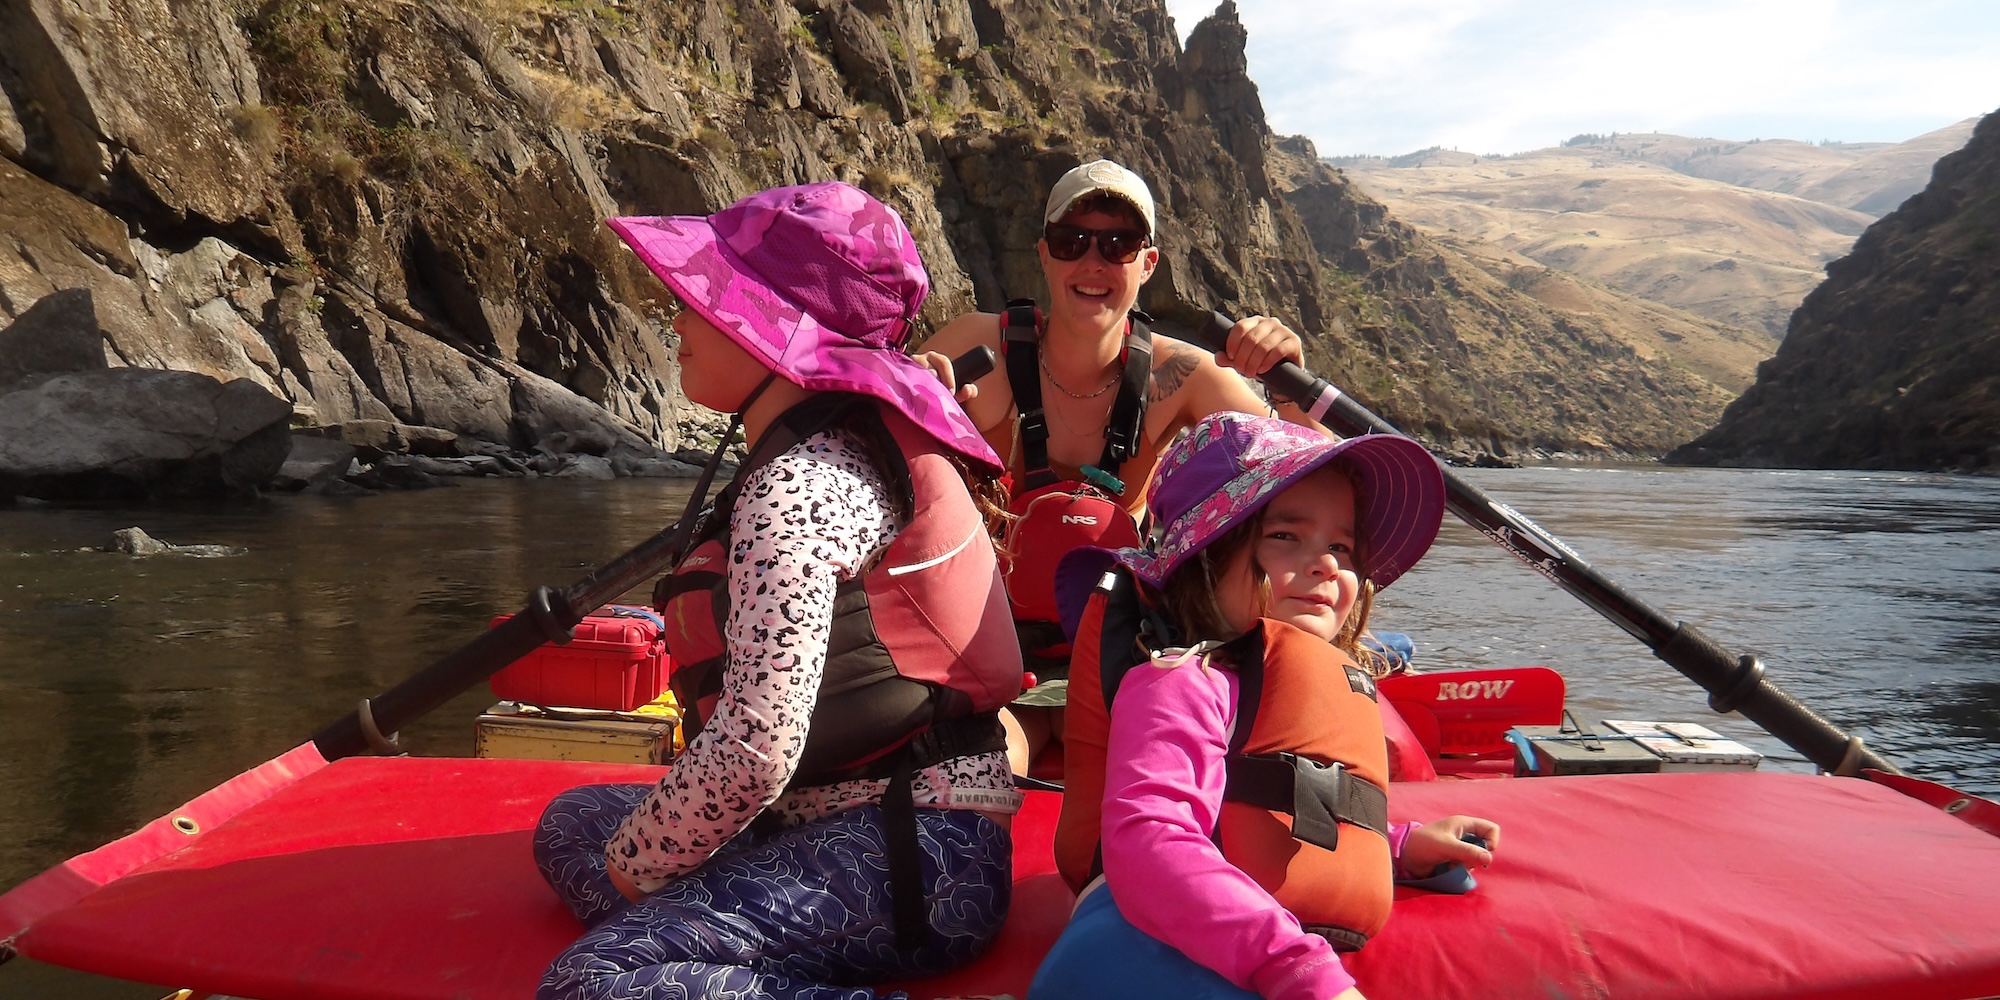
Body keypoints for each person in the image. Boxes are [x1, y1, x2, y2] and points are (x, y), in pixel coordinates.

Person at [530, 182, 1026, 1000]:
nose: (678, 318)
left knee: (594, 981)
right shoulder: (829, 446)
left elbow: (757, 749)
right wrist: (643, 864)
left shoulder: (799, 488)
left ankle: (696, 951)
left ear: (766, 329)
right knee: (571, 824)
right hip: (836, 819)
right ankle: (718, 943)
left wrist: (633, 877)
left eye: (703, 297)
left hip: (917, 856)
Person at [1032, 412, 1502, 1000]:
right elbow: (1151, 841)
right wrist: (1296, 966)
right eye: (1285, 536)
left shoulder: (1310, 690)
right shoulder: (1178, 683)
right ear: (1204, 558)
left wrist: (1400, 845)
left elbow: (1277, 807)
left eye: (1342, 546)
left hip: (1241, 949)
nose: (1327, 563)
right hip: (1140, 950)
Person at [917, 158, 1326, 771]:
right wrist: (907, 403)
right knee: (990, 763)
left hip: (1116, 646)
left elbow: (1310, 480)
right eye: (1072, 240)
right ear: (1046, 256)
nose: (1093, 261)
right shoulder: (976, 346)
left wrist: (1291, 385)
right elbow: (868, 464)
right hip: (981, 647)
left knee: (1141, 758)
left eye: (1118, 244)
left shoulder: (1186, 377)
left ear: (1148, 264)